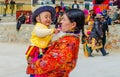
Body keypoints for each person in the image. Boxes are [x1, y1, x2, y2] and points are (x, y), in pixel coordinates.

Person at [26, 9, 85, 77]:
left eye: (64, 20)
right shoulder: (69, 38)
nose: (61, 22)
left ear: (73, 24)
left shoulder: (68, 42)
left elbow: (51, 61)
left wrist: (33, 64)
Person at [25, 6, 56, 77]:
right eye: (46, 17)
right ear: (38, 19)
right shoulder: (38, 27)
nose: (49, 19)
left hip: (44, 52)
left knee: (43, 71)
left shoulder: (47, 28)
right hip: (36, 52)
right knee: (35, 70)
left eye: (50, 17)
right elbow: (40, 33)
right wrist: (52, 31)